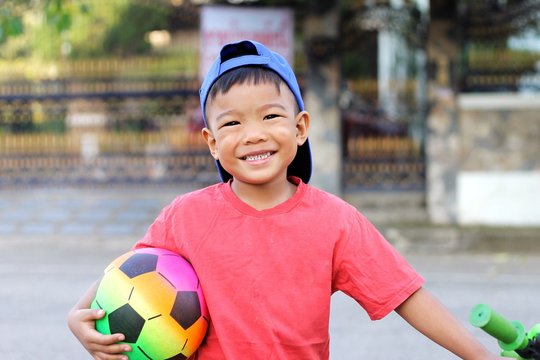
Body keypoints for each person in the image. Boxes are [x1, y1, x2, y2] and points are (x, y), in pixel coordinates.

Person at [68, 40, 505, 360]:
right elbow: (128, 271)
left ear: (300, 127)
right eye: (233, 122)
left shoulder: (335, 222)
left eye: (270, 115)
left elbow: (406, 295)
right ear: (212, 143)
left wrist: (481, 356)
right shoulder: (185, 216)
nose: (254, 133)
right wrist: (79, 315)